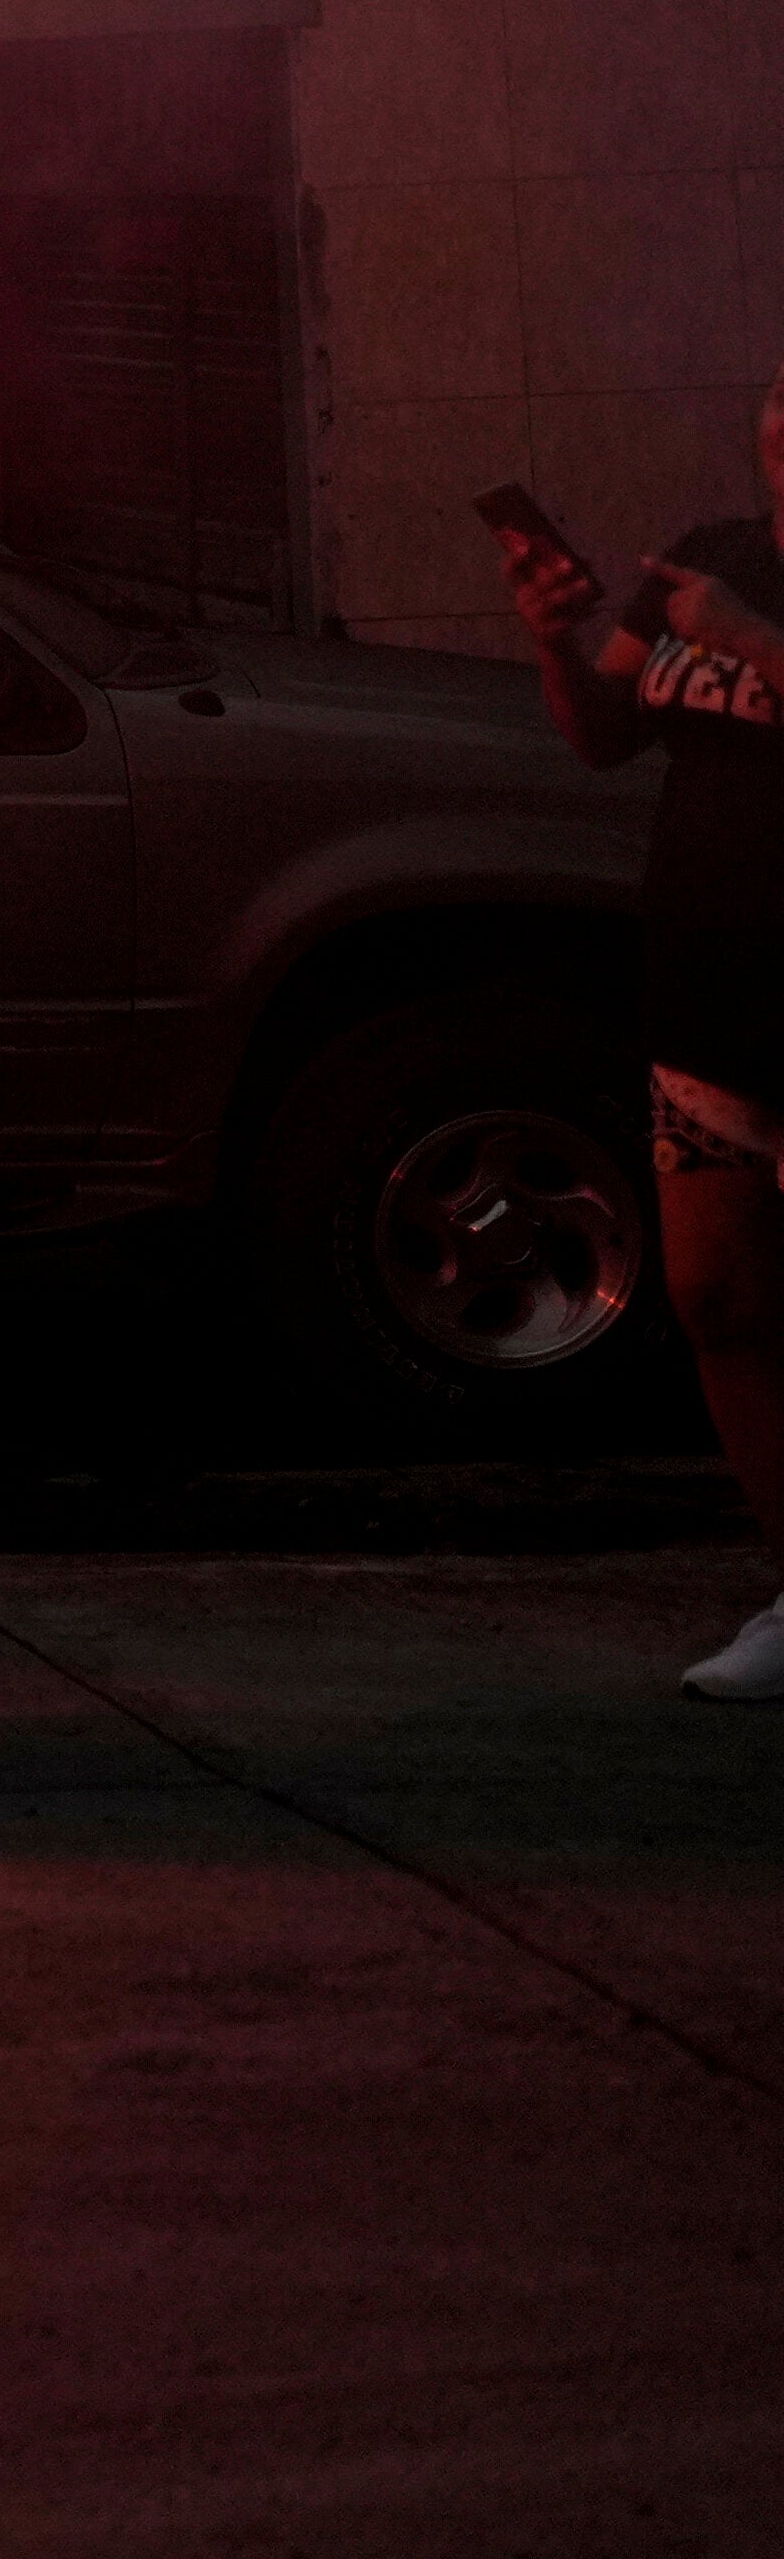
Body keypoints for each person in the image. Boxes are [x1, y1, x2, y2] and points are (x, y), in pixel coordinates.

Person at [495, 395, 784, 1700]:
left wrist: (749, 641)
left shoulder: (730, 605)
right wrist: (555, 637)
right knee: (716, 1297)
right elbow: (600, 730)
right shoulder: (709, 552)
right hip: (707, 1004)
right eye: (776, 412)